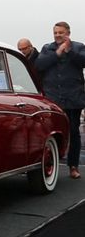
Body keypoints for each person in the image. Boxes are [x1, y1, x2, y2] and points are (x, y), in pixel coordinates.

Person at [36, 21, 85, 179]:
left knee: (73, 132)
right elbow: (39, 65)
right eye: (55, 32)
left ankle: (73, 166)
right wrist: (57, 53)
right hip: (53, 99)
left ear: (68, 33)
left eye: (61, 32)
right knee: (50, 133)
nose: (58, 35)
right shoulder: (47, 48)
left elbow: (83, 62)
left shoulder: (78, 47)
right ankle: (50, 164)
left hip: (73, 97)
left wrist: (69, 51)